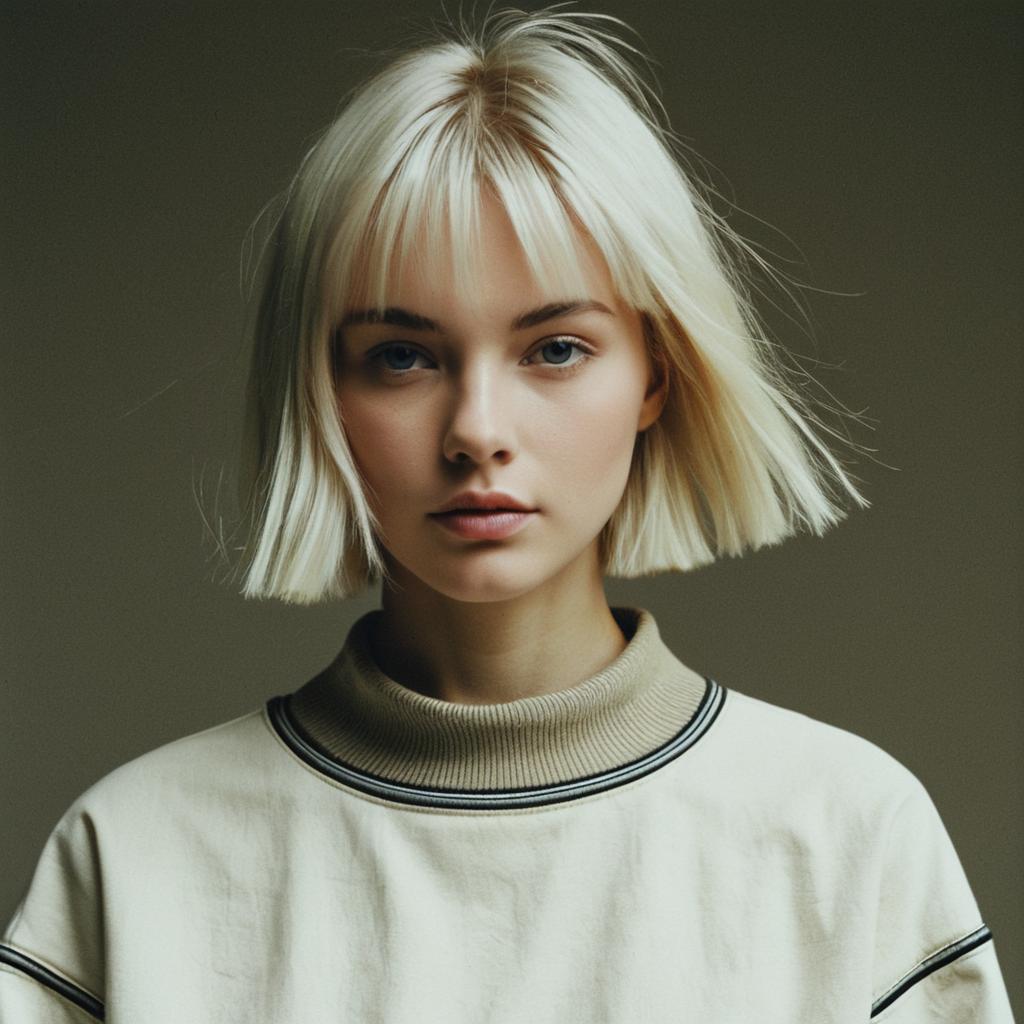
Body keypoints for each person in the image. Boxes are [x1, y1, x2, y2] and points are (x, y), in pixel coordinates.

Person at [0, 6, 1014, 1022]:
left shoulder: (844, 835)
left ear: (655, 376)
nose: (476, 429)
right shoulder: (134, 857)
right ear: (319, 389)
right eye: (402, 355)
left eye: (555, 348)